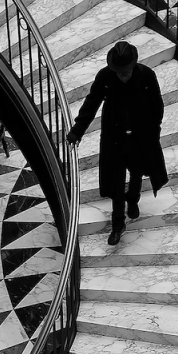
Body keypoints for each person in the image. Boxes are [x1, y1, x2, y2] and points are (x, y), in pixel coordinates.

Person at [68, 40, 167, 245]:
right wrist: (77, 131)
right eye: (119, 71)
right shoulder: (106, 77)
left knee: (138, 170)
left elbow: (156, 105)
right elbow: (91, 103)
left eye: (126, 71)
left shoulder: (146, 76)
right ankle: (117, 224)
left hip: (140, 136)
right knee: (115, 180)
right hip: (115, 138)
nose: (123, 75)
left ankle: (133, 198)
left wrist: (154, 132)